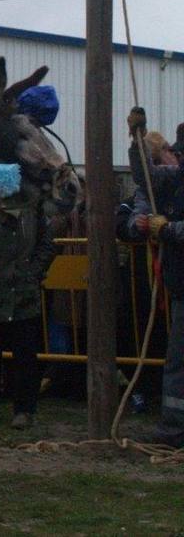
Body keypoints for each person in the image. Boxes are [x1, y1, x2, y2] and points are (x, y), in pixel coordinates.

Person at [126, 125, 184, 448]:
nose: (179, 157)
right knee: (177, 361)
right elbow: (144, 177)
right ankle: (174, 429)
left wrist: (170, 230)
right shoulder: (174, 181)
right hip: (181, 287)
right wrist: (137, 142)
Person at [0, 210, 55, 428]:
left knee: (26, 356)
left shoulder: (34, 212)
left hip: (24, 297)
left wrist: (32, 273)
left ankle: (24, 410)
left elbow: (47, 244)